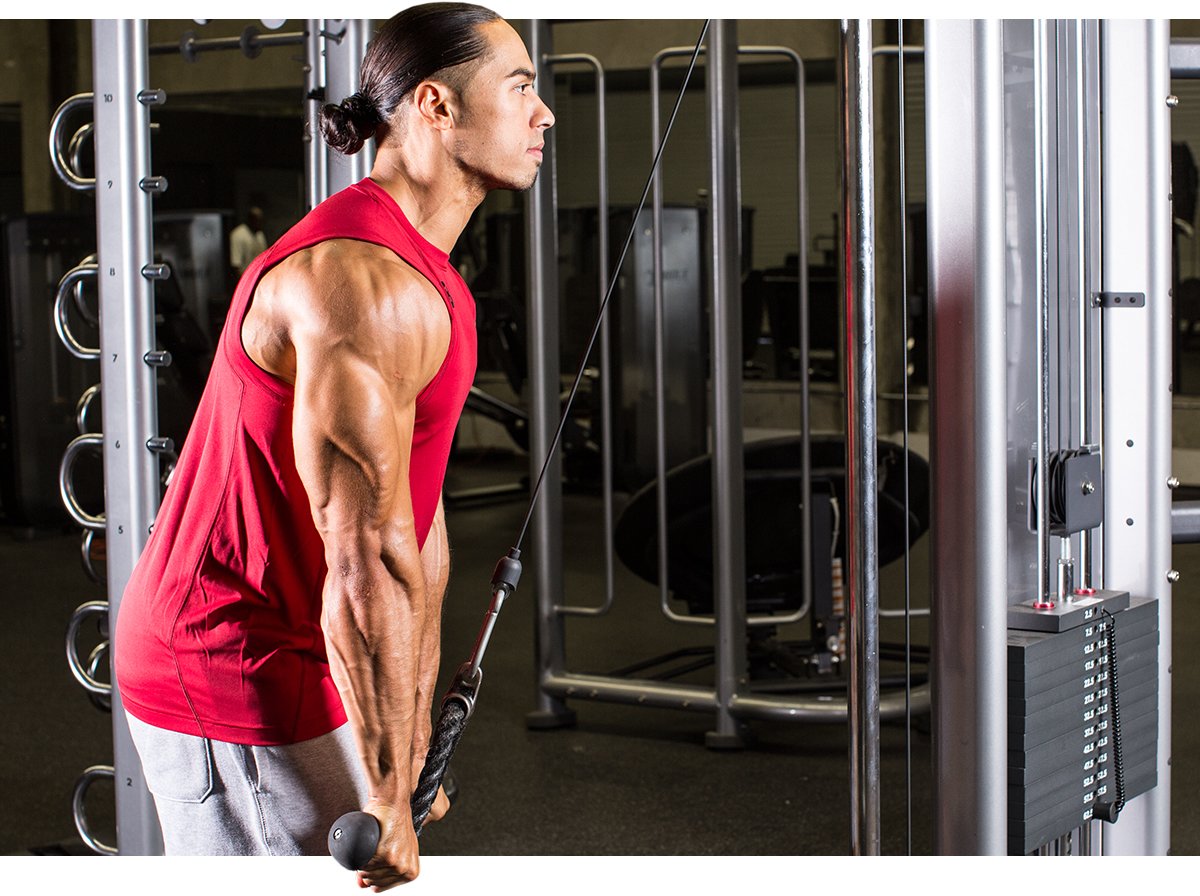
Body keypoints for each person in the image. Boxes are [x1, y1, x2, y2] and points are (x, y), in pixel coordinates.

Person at [113, 4, 553, 890]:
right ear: (435, 106)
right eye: (519, 86)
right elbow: (363, 561)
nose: (543, 113)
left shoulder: (435, 285)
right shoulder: (358, 284)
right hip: (226, 655)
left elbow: (415, 538)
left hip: (300, 644)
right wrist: (387, 793)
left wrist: (410, 737)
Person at [229, 205, 268, 273]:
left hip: (259, 274)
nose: (261, 224)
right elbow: (236, 264)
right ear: (251, 220)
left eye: (262, 221)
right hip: (246, 276)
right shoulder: (238, 234)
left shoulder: (259, 234)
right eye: (258, 221)